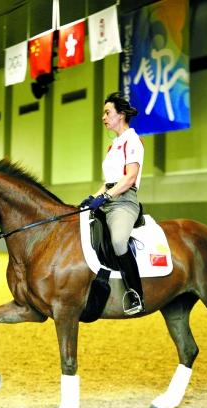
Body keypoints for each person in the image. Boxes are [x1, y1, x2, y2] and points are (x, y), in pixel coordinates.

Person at [80, 92, 145, 315]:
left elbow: (129, 178)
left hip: (124, 202)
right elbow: (108, 182)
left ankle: (136, 294)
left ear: (121, 115)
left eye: (107, 112)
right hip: (109, 198)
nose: (103, 117)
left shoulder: (132, 140)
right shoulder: (113, 146)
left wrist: (106, 197)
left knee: (118, 241)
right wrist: (93, 197)